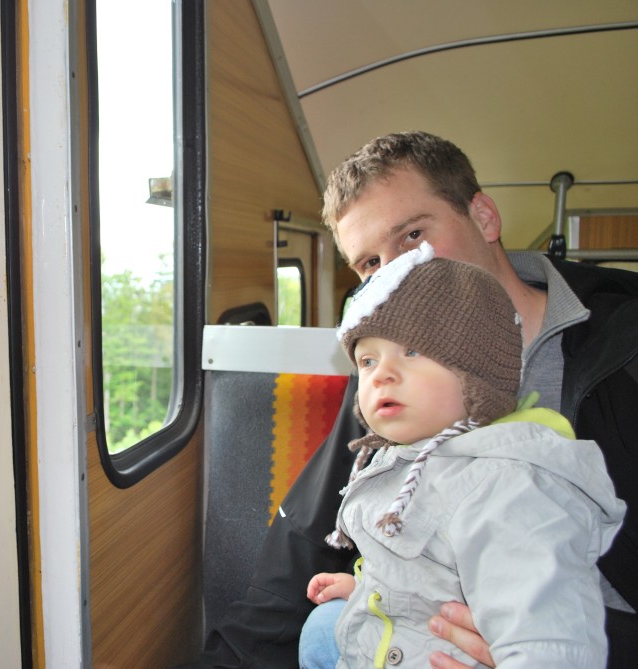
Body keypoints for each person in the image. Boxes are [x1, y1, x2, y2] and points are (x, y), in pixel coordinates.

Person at [180, 131, 638, 668]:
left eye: (414, 236)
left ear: (484, 217)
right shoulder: (388, 379)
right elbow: (302, 552)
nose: (398, 271)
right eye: (370, 264)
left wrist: (550, 642)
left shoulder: (622, 349)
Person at [294, 243, 624, 668]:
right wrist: (372, 591)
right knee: (321, 628)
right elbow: (431, 573)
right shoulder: (405, 458)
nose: (382, 375)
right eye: (368, 361)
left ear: (477, 371)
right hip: (404, 640)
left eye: (412, 351)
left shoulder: (508, 486)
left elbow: (550, 637)